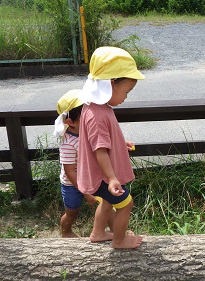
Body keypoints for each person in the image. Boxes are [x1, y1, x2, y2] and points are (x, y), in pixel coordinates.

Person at [75, 46, 144, 249]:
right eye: (126, 91)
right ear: (111, 84)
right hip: (102, 175)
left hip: (101, 174)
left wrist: (119, 144)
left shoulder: (95, 107)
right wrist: (112, 178)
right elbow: (99, 149)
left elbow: (99, 140)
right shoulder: (98, 114)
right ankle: (119, 240)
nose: (126, 97)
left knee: (107, 202)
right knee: (125, 204)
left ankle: (97, 233)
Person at [53, 90, 99, 237]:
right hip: (72, 184)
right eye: (85, 117)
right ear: (70, 122)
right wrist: (85, 192)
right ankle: (66, 231)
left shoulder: (89, 132)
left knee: (106, 205)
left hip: (92, 177)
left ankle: (115, 231)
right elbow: (69, 172)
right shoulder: (68, 143)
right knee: (72, 212)